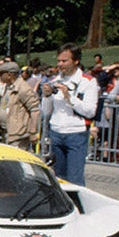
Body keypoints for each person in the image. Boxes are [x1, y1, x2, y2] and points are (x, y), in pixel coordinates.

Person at [40, 43, 98, 185]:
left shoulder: (88, 82)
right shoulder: (55, 80)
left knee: (75, 179)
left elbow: (90, 112)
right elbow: (46, 111)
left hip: (76, 134)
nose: (60, 64)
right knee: (59, 178)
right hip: (56, 132)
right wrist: (46, 96)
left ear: (76, 61)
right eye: (59, 60)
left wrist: (69, 97)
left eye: (64, 61)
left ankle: (77, 205)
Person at [0, 61, 40, 151]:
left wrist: (33, 132)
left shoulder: (23, 88)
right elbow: (6, 106)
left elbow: (35, 110)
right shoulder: (8, 87)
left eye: (1, 74)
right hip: (6, 132)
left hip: (18, 135)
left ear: (9, 75)